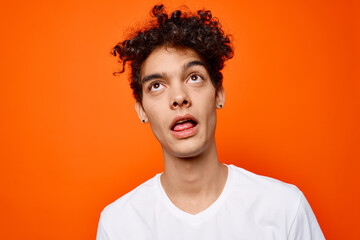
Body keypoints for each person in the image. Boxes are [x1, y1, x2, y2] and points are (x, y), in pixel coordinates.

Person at [96, 4, 325, 240]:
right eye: (157, 85)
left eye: (194, 77)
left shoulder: (284, 208)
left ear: (218, 94)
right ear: (142, 109)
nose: (178, 98)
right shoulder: (119, 225)